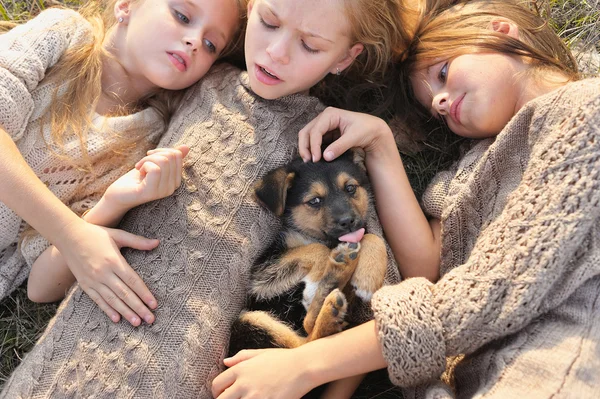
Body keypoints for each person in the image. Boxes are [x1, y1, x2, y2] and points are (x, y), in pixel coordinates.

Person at [1, 0, 410, 397]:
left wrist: (380, 141)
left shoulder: (323, 140)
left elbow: (391, 295)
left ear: (344, 58)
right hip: (71, 347)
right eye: (268, 22)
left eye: (309, 45)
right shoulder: (194, 82)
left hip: (182, 366)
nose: (276, 52)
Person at [211, 0, 600, 398]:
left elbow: (487, 292)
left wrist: (307, 364)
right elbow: (425, 267)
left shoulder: (586, 109)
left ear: (500, 31)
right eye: (436, 110)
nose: (442, 102)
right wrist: (379, 141)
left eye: (443, 72)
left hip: (557, 375)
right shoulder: (473, 166)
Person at [0, 0, 244, 326]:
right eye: (182, 15)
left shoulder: (146, 144)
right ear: (126, 6)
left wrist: (111, 205)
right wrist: (72, 233)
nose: (195, 41)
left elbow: (41, 286)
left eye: (212, 44)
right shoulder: (64, 34)